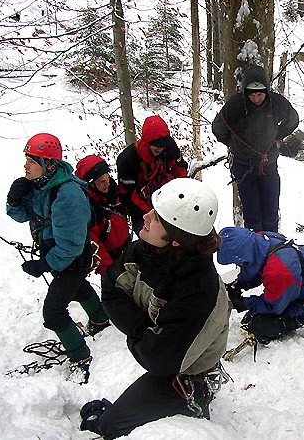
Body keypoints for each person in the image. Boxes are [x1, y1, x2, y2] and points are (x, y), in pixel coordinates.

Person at [83, 178, 230, 438]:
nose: (146, 216)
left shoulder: (199, 291)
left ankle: (190, 407)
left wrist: (137, 326)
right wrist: (144, 329)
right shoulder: (147, 248)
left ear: (175, 240)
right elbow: (111, 288)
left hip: (185, 375)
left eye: (157, 218)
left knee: (110, 427)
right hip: (168, 355)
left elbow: (159, 360)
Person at [5, 133, 110, 385]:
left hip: (72, 259)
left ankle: (80, 357)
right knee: (77, 289)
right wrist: (14, 199)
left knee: (53, 312)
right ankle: (100, 318)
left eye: (32, 160)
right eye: (27, 160)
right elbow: (21, 216)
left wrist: (44, 265)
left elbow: (71, 245)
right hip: (56, 254)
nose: (25, 166)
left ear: (49, 164)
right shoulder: (39, 185)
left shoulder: (68, 193)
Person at [211, 64, 299, 233]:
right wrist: (234, 144)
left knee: (271, 213)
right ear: (245, 92)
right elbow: (218, 128)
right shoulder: (235, 105)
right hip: (244, 166)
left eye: (260, 94)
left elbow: (293, 120)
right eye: (252, 94)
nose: (257, 98)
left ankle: (273, 251)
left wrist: (278, 136)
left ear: (266, 91)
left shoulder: (277, 103)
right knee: (252, 216)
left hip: (268, 165)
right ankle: (256, 251)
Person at [217, 227, 304, 344]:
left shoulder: (278, 270)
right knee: (252, 317)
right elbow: (255, 265)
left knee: (261, 326)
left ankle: (298, 319)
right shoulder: (261, 239)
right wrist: (239, 284)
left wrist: (244, 303)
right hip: (295, 287)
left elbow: (273, 306)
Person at [117, 115, 188, 233]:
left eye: (162, 146)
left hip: (168, 200)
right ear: (147, 142)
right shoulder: (127, 160)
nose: (160, 149)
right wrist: (151, 213)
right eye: (156, 147)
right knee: (151, 241)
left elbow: (180, 171)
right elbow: (128, 196)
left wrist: (180, 197)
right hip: (141, 209)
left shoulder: (169, 148)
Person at [75, 154, 131, 275]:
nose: (107, 183)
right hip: (111, 260)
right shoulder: (87, 210)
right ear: (90, 184)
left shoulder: (113, 192)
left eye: (107, 178)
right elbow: (95, 246)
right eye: (102, 181)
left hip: (127, 249)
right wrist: (111, 273)